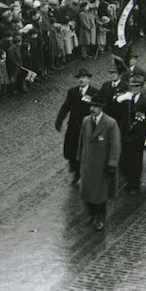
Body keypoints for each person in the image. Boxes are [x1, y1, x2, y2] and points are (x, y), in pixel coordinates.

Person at [76, 94, 120, 231]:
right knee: (87, 192)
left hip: (102, 165)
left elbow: (115, 145)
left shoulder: (110, 123)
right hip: (87, 163)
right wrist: (79, 157)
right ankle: (91, 214)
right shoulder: (86, 121)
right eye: (91, 106)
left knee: (100, 195)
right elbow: (81, 141)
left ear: (101, 108)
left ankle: (100, 216)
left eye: (95, 106)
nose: (92, 109)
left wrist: (112, 163)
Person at [54, 68, 99, 184]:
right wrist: (59, 120)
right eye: (79, 78)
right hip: (74, 127)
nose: (81, 80)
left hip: (87, 128)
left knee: (86, 151)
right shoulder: (72, 92)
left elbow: (99, 110)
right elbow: (66, 107)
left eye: (84, 78)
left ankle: (87, 173)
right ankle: (76, 173)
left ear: (89, 79)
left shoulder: (94, 93)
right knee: (72, 151)